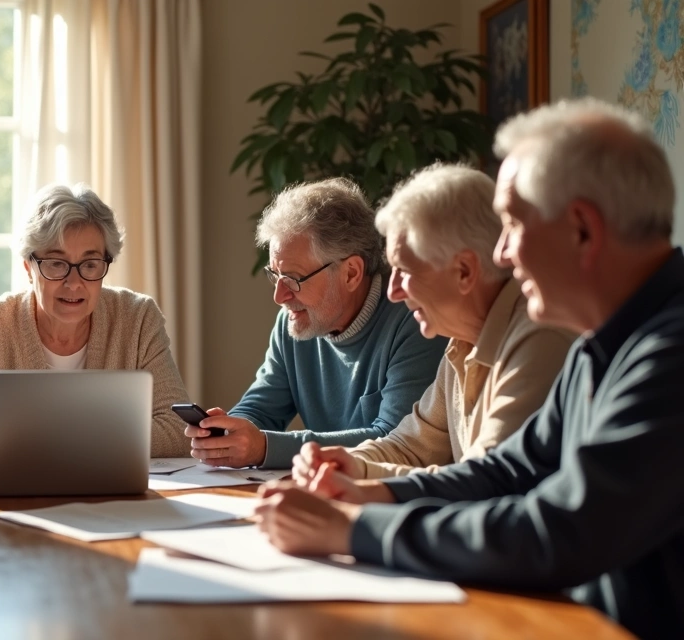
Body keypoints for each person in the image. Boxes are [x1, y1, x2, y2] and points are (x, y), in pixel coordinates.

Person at [256, 98, 684, 639]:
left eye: (512, 225)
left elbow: (561, 530)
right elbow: (507, 470)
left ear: (581, 229)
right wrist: (371, 494)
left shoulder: (669, 355)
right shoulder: (600, 347)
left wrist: (355, 529)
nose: (501, 254)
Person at [290, 164, 573, 481]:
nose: (393, 292)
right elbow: (408, 447)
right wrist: (341, 463)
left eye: (405, 271)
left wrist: (368, 485)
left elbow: (483, 481)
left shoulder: (539, 338)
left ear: (464, 271)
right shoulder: (463, 342)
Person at [0, 184, 190, 457]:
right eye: (57, 263)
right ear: (28, 268)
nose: (74, 283)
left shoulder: (138, 317)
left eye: (90, 265)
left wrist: (39, 437)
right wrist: (63, 437)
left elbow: (179, 428)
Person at [187, 178, 446, 469]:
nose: (279, 296)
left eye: (294, 279)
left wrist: (265, 447)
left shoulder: (415, 320)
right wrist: (230, 432)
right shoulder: (296, 321)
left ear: (351, 273)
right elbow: (261, 407)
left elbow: (395, 442)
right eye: (274, 275)